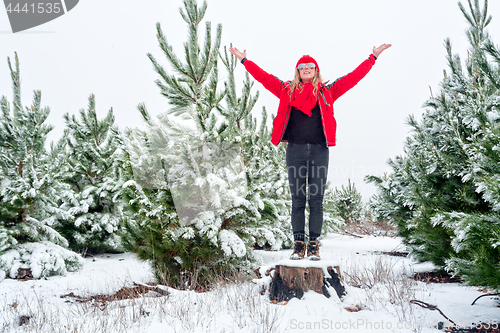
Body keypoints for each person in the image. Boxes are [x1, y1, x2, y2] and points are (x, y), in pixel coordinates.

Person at [229, 44, 391, 260]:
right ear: (297, 71)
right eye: (302, 66)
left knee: (316, 200)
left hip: (319, 151)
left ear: (316, 70)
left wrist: (373, 57)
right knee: (297, 199)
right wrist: (244, 60)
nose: (306, 68)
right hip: (294, 151)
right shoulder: (286, 90)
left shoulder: (328, 92)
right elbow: (264, 77)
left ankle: (313, 245)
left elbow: (353, 77)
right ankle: (298, 245)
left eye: (310, 66)